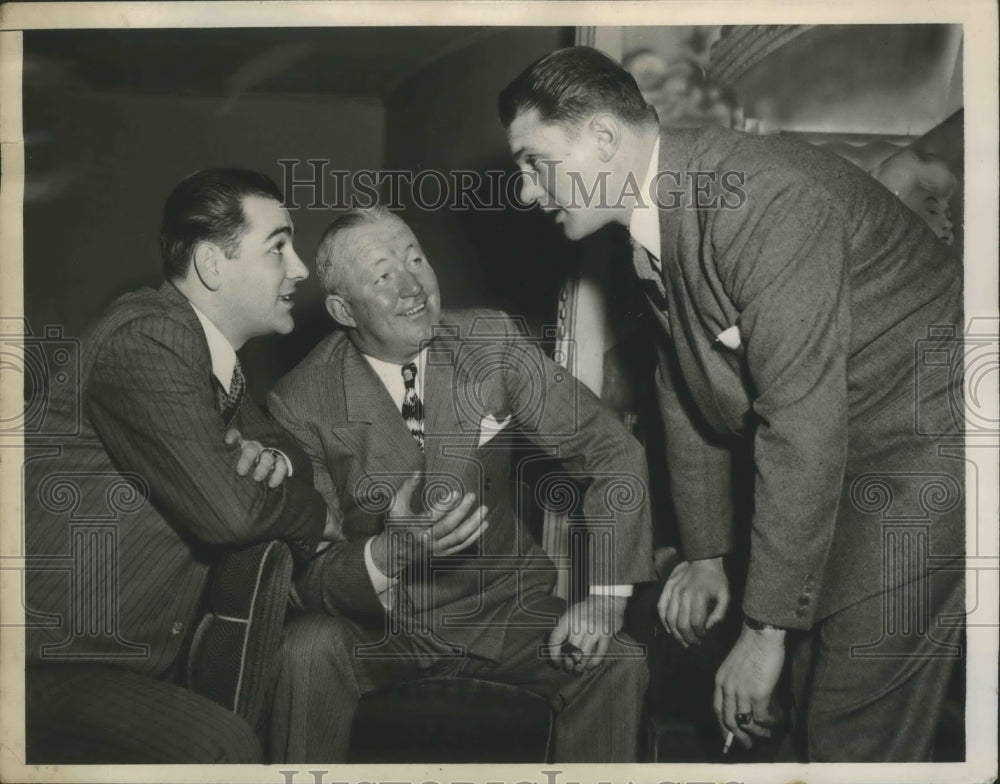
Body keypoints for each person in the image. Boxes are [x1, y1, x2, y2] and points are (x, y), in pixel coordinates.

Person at [499, 46, 964, 762]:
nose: (527, 194)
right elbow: (686, 391)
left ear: (601, 138)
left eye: (535, 163)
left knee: (851, 723)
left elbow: (799, 421)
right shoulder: (653, 228)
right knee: (811, 704)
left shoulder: (759, 200)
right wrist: (708, 554)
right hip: (848, 449)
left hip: (928, 441)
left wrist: (761, 632)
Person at [266, 207, 655, 762]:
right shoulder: (300, 401)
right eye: (381, 275)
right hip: (386, 626)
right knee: (305, 649)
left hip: (507, 610)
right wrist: (392, 550)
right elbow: (307, 574)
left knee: (617, 659)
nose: (412, 285)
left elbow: (609, 448)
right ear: (341, 309)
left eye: (415, 258)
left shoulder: (489, 340)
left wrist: (607, 598)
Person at [24, 168, 329, 763]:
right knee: (225, 748)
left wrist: (273, 459)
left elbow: (287, 448)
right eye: (279, 247)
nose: (300, 268)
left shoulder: (217, 366)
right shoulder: (148, 338)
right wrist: (311, 514)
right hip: (40, 660)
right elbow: (232, 515)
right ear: (213, 265)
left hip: (114, 664)